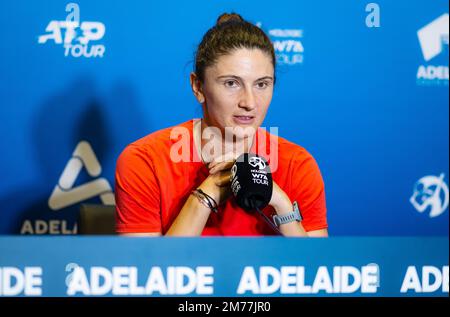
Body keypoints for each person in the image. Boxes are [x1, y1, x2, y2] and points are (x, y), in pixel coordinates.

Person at [115, 13, 328, 237]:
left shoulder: (297, 165)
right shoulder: (145, 162)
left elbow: (318, 269)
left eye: (262, 84)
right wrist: (207, 194)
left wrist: (282, 204)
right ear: (198, 87)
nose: (249, 102)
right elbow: (147, 270)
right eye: (231, 83)